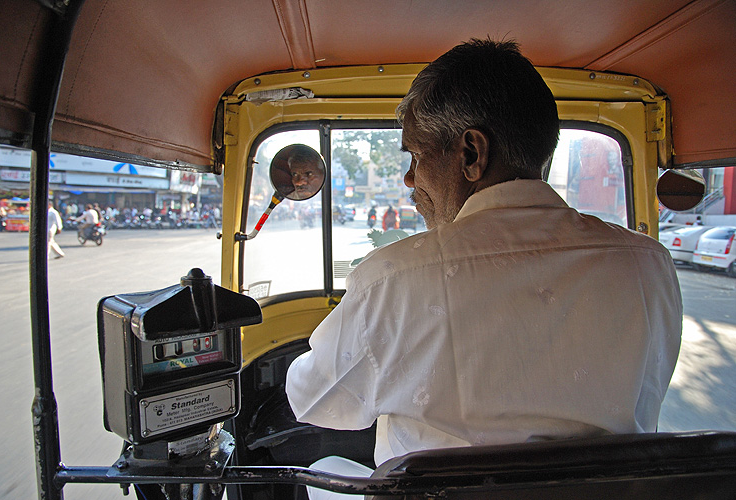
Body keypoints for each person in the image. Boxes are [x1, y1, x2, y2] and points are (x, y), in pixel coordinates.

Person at [285, 38, 683, 493]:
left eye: (416, 156)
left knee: (327, 469)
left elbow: (313, 399)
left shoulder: (395, 279)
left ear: (471, 153)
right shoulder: (649, 266)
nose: (409, 179)